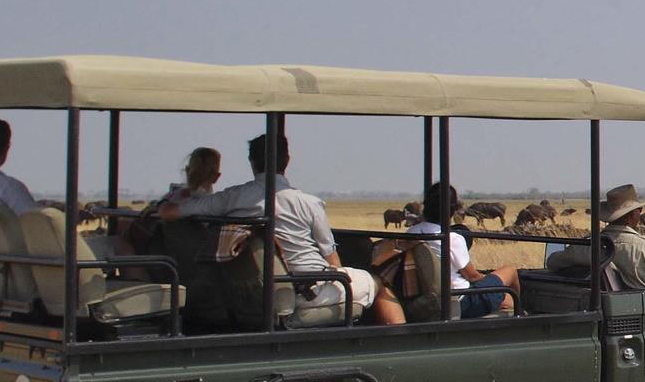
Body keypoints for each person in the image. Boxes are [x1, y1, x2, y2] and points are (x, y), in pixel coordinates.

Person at [161, 131, 398, 324]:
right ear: (287, 160)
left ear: (252, 163)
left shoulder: (232, 198)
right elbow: (332, 262)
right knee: (377, 283)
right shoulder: (309, 203)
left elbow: (172, 212)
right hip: (308, 290)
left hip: (259, 293)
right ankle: (397, 346)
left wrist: (161, 206)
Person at [547, 184, 645, 291]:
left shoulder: (585, 246)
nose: (640, 213)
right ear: (633, 214)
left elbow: (552, 261)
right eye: (639, 209)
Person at [406, 182, 508, 318]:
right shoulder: (452, 238)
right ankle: (521, 314)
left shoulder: (411, 232)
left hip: (426, 298)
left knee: (503, 296)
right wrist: (488, 278)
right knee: (510, 271)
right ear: (452, 210)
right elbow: (472, 276)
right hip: (459, 301)